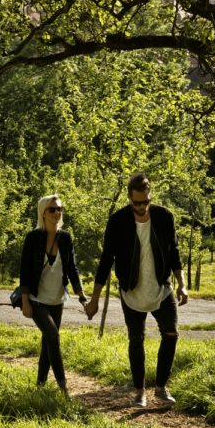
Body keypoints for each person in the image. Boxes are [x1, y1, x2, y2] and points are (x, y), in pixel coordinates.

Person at [83, 172, 188, 408]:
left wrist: (182, 283)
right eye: (137, 202)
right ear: (130, 198)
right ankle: (139, 391)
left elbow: (174, 253)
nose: (142, 207)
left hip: (161, 287)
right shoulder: (118, 221)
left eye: (146, 202)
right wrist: (95, 299)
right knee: (136, 339)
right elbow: (106, 260)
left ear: (150, 197)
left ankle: (161, 388)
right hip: (132, 290)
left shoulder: (164, 217)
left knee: (171, 333)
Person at [18, 194, 87, 396]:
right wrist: (25, 302)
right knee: (53, 336)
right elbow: (24, 270)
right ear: (43, 213)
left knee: (48, 341)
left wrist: (82, 295)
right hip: (36, 299)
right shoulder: (33, 237)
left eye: (59, 209)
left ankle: (40, 385)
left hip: (57, 299)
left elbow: (72, 269)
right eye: (52, 209)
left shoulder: (65, 238)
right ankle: (63, 385)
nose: (57, 212)